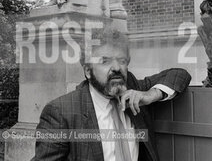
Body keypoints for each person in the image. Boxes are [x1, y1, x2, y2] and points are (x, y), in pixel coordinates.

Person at [31, 27, 191, 160]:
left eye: (121, 60)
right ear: (88, 71)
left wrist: (150, 95)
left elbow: (179, 74)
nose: (116, 68)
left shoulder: (134, 89)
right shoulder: (61, 113)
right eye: (104, 61)